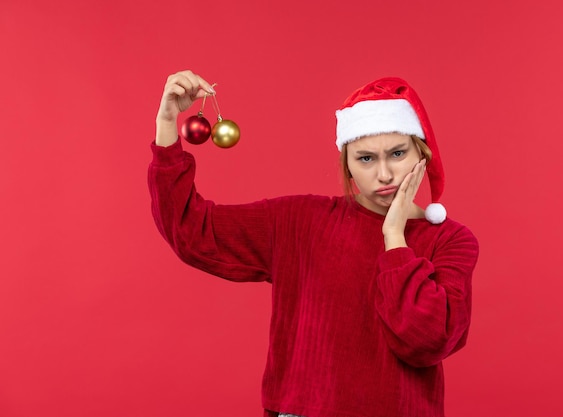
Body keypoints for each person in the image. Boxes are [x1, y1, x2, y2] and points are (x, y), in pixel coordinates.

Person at [148, 70, 479, 417]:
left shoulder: (451, 241)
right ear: (348, 165)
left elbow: (428, 341)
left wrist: (394, 237)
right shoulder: (301, 221)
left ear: (421, 155)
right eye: (366, 158)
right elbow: (191, 231)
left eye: (397, 154)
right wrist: (167, 122)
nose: (384, 174)